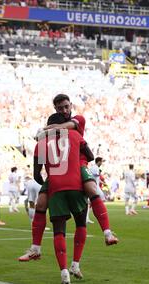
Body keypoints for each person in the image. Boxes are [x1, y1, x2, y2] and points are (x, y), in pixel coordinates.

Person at [18, 94, 118, 262]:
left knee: (93, 190)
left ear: (71, 105)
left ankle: (107, 232)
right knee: (41, 203)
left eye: (66, 106)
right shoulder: (50, 136)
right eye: (60, 108)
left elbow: (71, 130)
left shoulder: (78, 120)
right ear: (55, 109)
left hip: (78, 165)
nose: (64, 110)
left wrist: (47, 130)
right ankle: (36, 248)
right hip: (58, 170)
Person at [32, 113, 91, 284]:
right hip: (75, 183)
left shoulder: (42, 143)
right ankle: (76, 263)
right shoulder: (74, 135)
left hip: (55, 187)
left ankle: (64, 272)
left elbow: (36, 174)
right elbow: (90, 155)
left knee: (59, 230)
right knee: (81, 223)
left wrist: (47, 185)